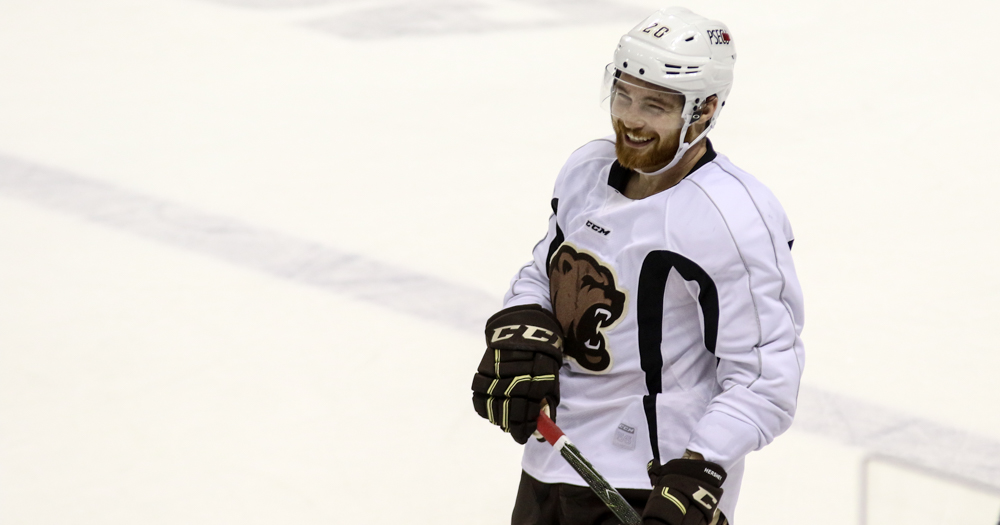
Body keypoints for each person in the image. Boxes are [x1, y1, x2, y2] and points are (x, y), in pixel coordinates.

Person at [471, 7, 804, 525]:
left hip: (650, 486)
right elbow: (544, 269)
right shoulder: (587, 170)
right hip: (550, 458)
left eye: (656, 105)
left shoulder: (734, 217)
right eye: (623, 94)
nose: (631, 117)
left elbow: (764, 377)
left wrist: (701, 470)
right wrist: (523, 327)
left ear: (706, 108)